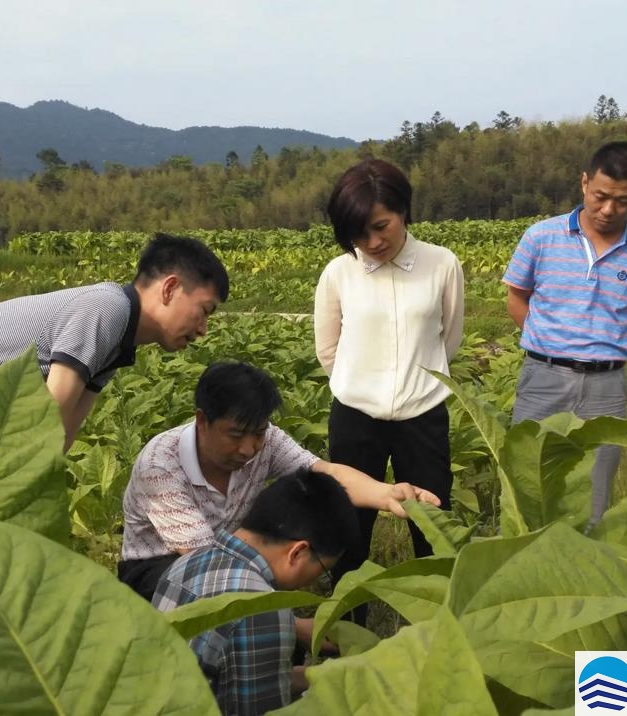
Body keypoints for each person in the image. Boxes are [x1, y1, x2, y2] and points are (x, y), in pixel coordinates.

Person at [119, 361, 440, 601]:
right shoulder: (161, 464)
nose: (248, 449)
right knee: (236, 606)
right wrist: (293, 627)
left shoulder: (266, 441)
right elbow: (204, 565)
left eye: (257, 434)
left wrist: (385, 494)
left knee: (259, 600)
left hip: (226, 556)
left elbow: (323, 471)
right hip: (158, 568)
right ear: (202, 421)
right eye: (235, 435)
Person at [313, 158, 464, 622]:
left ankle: (436, 624)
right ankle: (346, 627)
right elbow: (328, 348)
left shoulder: (441, 264)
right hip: (356, 418)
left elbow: (449, 337)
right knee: (348, 524)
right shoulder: (339, 273)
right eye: (359, 234)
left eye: (381, 226)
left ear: (404, 210)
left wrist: (412, 384)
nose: (373, 242)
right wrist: (365, 385)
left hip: (423, 416)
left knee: (431, 523)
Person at [0, 233, 229, 451]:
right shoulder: (107, 308)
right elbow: (52, 413)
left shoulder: (121, 340)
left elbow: (63, 434)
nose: (203, 329)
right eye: (204, 311)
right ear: (170, 288)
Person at [503, 141, 627, 530]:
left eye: (623, 201)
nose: (609, 209)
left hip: (606, 385)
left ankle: (582, 577)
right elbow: (516, 296)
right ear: (584, 183)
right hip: (543, 378)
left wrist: (609, 344)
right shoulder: (541, 237)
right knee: (527, 484)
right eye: (601, 196)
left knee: (595, 494)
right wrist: (548, 341)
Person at [153, 467, 359, 716]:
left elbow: (237, 683)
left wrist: (324, 675)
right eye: (323, 569)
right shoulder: (263, 609)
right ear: (298, 553)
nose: (314, 580)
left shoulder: (187, 563)